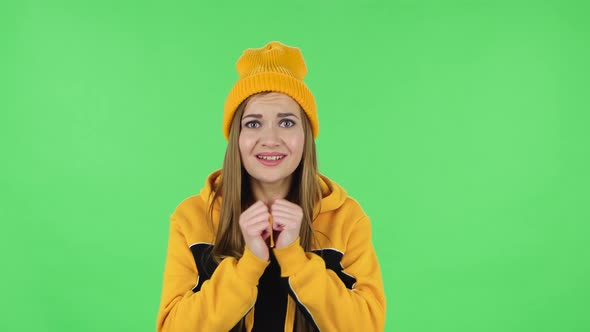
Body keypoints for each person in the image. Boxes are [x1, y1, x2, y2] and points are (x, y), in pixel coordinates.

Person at [156, 41, 386, 332]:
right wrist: (249, 263)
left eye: (287, 122)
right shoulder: (192, 218)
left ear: (306, 136)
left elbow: (367, 326)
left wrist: (295, 257)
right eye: (253, 124)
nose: (271, 138)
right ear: (236, 138)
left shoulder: (346, 219)